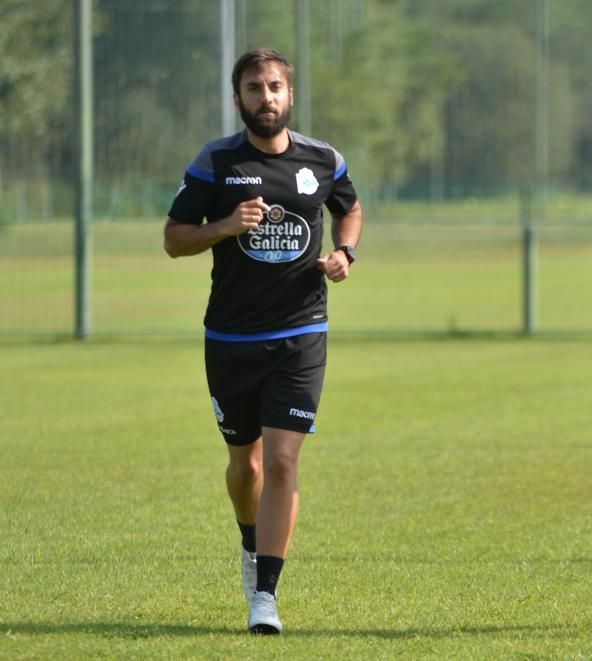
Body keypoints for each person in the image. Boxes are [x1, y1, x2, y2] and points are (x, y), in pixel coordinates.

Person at [163, 48, 363, 635]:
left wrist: (345, 253)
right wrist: (226, 225)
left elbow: (349, 209)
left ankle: (265, 597)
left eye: (275, 86)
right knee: (244, 465)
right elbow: (174, 239)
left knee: (281, 460)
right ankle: (249, 542)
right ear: (239, 99)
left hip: (301, 332)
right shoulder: (217, 162)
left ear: (290, 94)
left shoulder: (322, 159)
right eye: (254, 88)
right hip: (229, 336)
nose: (266, 97)